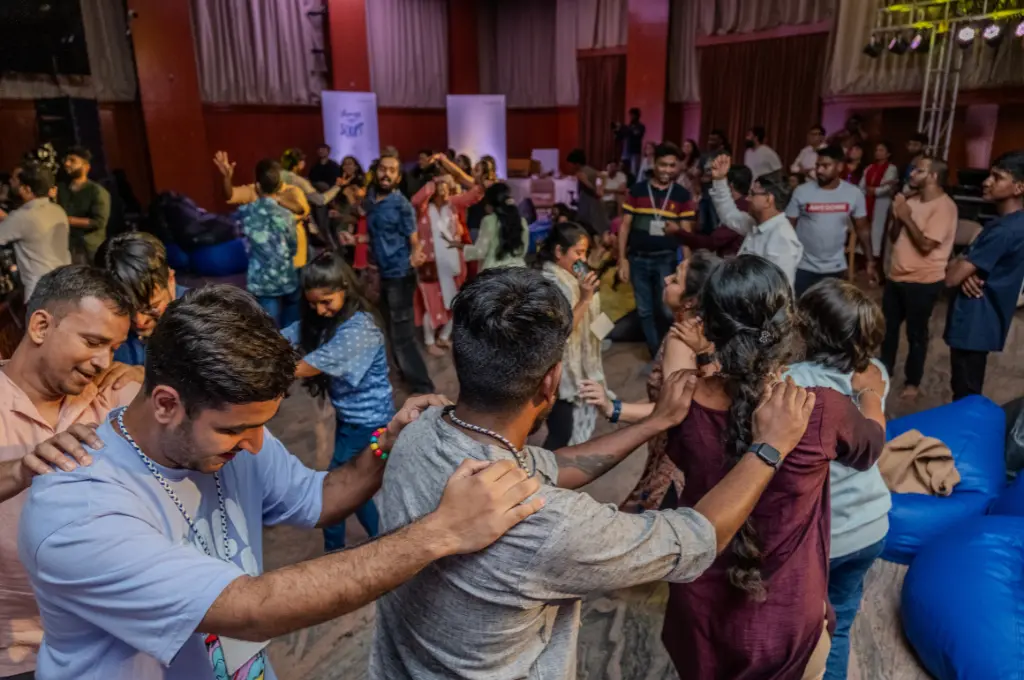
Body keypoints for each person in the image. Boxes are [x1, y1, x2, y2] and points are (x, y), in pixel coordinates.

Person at [17, 284, 544, 680]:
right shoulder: (78, 510)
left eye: (260, 425)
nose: (253, 445)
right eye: (235, 430)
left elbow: (321, 497)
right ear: (166, 404)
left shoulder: (235, 436)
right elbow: (250, 607)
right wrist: (442, 532)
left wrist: (389, 439)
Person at [370, 265, 818, 680]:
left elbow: (557, 465)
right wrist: (768, 447)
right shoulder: (554, 527)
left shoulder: (418, 430)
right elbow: (697, 538)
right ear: (551, 382)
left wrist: (655, 421)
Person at [661, 255, 886, 680]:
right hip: (785, 618)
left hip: (699, 607)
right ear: (787, 325)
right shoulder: (820, 409)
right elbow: (869, 449)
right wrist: (871, 397)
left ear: (707, 324)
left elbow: (678, 360)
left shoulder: (681, 401)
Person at [0, 265, 140, 680]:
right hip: (17, 654)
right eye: (93, 342)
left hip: (112, 643)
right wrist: (22, 468)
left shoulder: (112, 396)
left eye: (114, 348)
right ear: (41, 325)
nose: (104, 361)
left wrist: (151, 378)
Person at [785, 279, 890, 680]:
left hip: (824, 536)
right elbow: (873, 434)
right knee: (840, 622)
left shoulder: (792, 381)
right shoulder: (873, 375)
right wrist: (873, 399)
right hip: (872, 524)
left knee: (803, 627)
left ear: (805, 328)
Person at [583, 251, 723, 513]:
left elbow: (674, 408)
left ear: (690, 301)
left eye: (676, 279)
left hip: (675, 455)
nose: (666, 279)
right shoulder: (702, 331)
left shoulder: (682, 339)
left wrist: (613, 408)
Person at [281, 252, 392, 551]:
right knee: (357, 488)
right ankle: (383, 539)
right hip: (352, 420)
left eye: (326, 301)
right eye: (313, 303)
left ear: (346, 288)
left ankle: (333, 551)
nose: (319, 310)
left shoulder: (360, 330)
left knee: (333, 490)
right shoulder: (330, 321)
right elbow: (286, 336)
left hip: (368, 423)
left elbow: (303, 368)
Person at [943, 151, 1024, 401]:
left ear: (1019, 187)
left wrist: (962, 266)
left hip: (974, 322)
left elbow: (951, 278)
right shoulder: (1012, 223)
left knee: (965, 393)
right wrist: (968, 267)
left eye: (997, 178)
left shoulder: (1003, 230)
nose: (986, 181)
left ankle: (962, 439)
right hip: (985, 321)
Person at [881, 156, 958, 400]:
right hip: (896, 277)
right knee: (887, 330)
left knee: (916, 335)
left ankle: (912, 382)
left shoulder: (945, 207)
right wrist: (897, 215)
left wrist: (905, 216)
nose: (912, 174)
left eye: (919, 171)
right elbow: (894, 237)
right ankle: (883, 372)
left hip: (923, 282)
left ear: (933, 176)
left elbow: (926, 245)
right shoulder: (910, 201)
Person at [364, 151, 434, 394]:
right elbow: (374, 235)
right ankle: (402, 373)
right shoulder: (370, 199)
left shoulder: (401, 204)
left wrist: (416, 253)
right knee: (387, 328)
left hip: (400, 275)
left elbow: (414, 239)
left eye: (392, 170)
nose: (386, 174)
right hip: (381, 275)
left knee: (403, 333)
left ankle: (423, 386)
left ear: (397, 176)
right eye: (383, 168)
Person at [618, 142, 697, 358]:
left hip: (666, 259)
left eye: (672, 166)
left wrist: (687, 262)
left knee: (665, 309)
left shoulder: (681, 195)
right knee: (644, 310)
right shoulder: (637, 190)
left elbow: (686, 231)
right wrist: (621, 259)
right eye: (663, 165)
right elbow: (624, 226)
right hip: (638, 259)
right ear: (654, 164)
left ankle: (669, 350)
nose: (667, 170)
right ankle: (657, 354)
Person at [536, 223, 604, 448]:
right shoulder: (550, 283)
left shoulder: (575, 278)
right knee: (561, 432)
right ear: (558, 252)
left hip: (576, 367)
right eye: (578, 252)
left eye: (585, 253)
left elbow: (595, 317)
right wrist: (585, 299)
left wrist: (602, 335)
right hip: (558, 371)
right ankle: (543, 477)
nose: (582, 259)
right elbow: (560, 330)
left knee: (567, 429)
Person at [788, 145, 874, 296]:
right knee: (799, 312)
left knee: (828, 313)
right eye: (817, 165)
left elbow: (863, 228)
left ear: (840, 166)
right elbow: (788, 227)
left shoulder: (854, 194)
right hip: (803, 267)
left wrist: (870, 260)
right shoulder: (802, 191)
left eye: (825, 166)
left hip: (835, 268)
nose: (819, 170)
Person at [99, 232, 190, 367]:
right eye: (125, 310)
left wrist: (147, 377)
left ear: (170, 280)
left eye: (151, 307)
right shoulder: (99, 319)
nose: (139, 321)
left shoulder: (203, 319)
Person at [710, 155, 804, 285]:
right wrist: (719, 179)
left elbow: (779, 290)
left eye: (752, 194)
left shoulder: (782, 238)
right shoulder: (757, 224)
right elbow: (729, 215)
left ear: (768, 200)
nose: (747, 199)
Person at [232, 159, 301, 329]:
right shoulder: (286, 214)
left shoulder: (245, 212)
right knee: (291, 328)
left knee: (269, 330)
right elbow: (293, 245)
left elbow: (237, 236)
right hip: (287, 276)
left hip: (261, 281)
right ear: (279, 187)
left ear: (257, 186)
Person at [213, 151, 310, 269]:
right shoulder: (253, 191)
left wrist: (277, 199)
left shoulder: (292, 191)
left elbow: (301, 210)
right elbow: (229, 195)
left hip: (294, 260)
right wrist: (226, 177)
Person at [411, 175, 470, 357]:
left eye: (447, 189)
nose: (444, 192)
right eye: (440, 189)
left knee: (454, 304)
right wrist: (435, 180)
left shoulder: (453, 207)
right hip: (430, 265)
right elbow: (415, 199)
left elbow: (474, 195)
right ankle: (429, 341)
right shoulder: (424, 210)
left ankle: (443, 336)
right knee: (431, 305)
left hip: (452, 265)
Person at [0, 162, 71, 301]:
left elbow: (17, 226)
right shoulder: (57, 210)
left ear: (26, 189)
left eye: (15, 181)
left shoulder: (22, 216)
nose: (10, 181)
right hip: (64, 283)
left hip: (41, 292)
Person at [448, 181, 529, 271]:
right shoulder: (522, 221)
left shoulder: (489, 221)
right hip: (518, 271)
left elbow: (480, 252)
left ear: (490, 203)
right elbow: (523, 251)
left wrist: (460, 246)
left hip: (494, 273)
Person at [56, 146, 110, 263]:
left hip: (88, 248)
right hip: (66, 246)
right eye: (66, 160)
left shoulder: (96, 191)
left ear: (86, 167)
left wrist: (68, 220)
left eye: (72, 160)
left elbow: (99, 221)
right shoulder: (61, 189)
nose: (67, 164)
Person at [861, 141, 900, 259]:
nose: (878, 152)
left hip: (882, 202)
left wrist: (875, 191)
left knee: (878, 228)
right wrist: (868, 191)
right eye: (876, 150)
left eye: (881, 150)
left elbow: (888, 187)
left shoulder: (891, 168)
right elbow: (861, 185)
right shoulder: (869, 168)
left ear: (888, 154)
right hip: (867, 200)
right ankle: (865, 253)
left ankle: (876, 256)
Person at [566, 149, 608, 234]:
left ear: (576, 163)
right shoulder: (590, 169)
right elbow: (603, 176)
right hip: (596, 202)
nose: (570, 167)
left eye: (571, 164)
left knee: (588, 227)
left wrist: (596, 191)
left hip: (588, 202)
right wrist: (601, 189)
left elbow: (589, 186)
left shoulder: (580, 173)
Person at [614, 107, 646, 176]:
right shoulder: (628, 127)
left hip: (634, 152)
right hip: (625, 151)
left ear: (637, 116)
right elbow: (620, 138)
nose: (631, 117)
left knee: (633, 171)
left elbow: (636, 134)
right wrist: (617, 131)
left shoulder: (640, 127)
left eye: (633, 115)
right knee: (622, 169)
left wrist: (625, 128)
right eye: (630, 115)